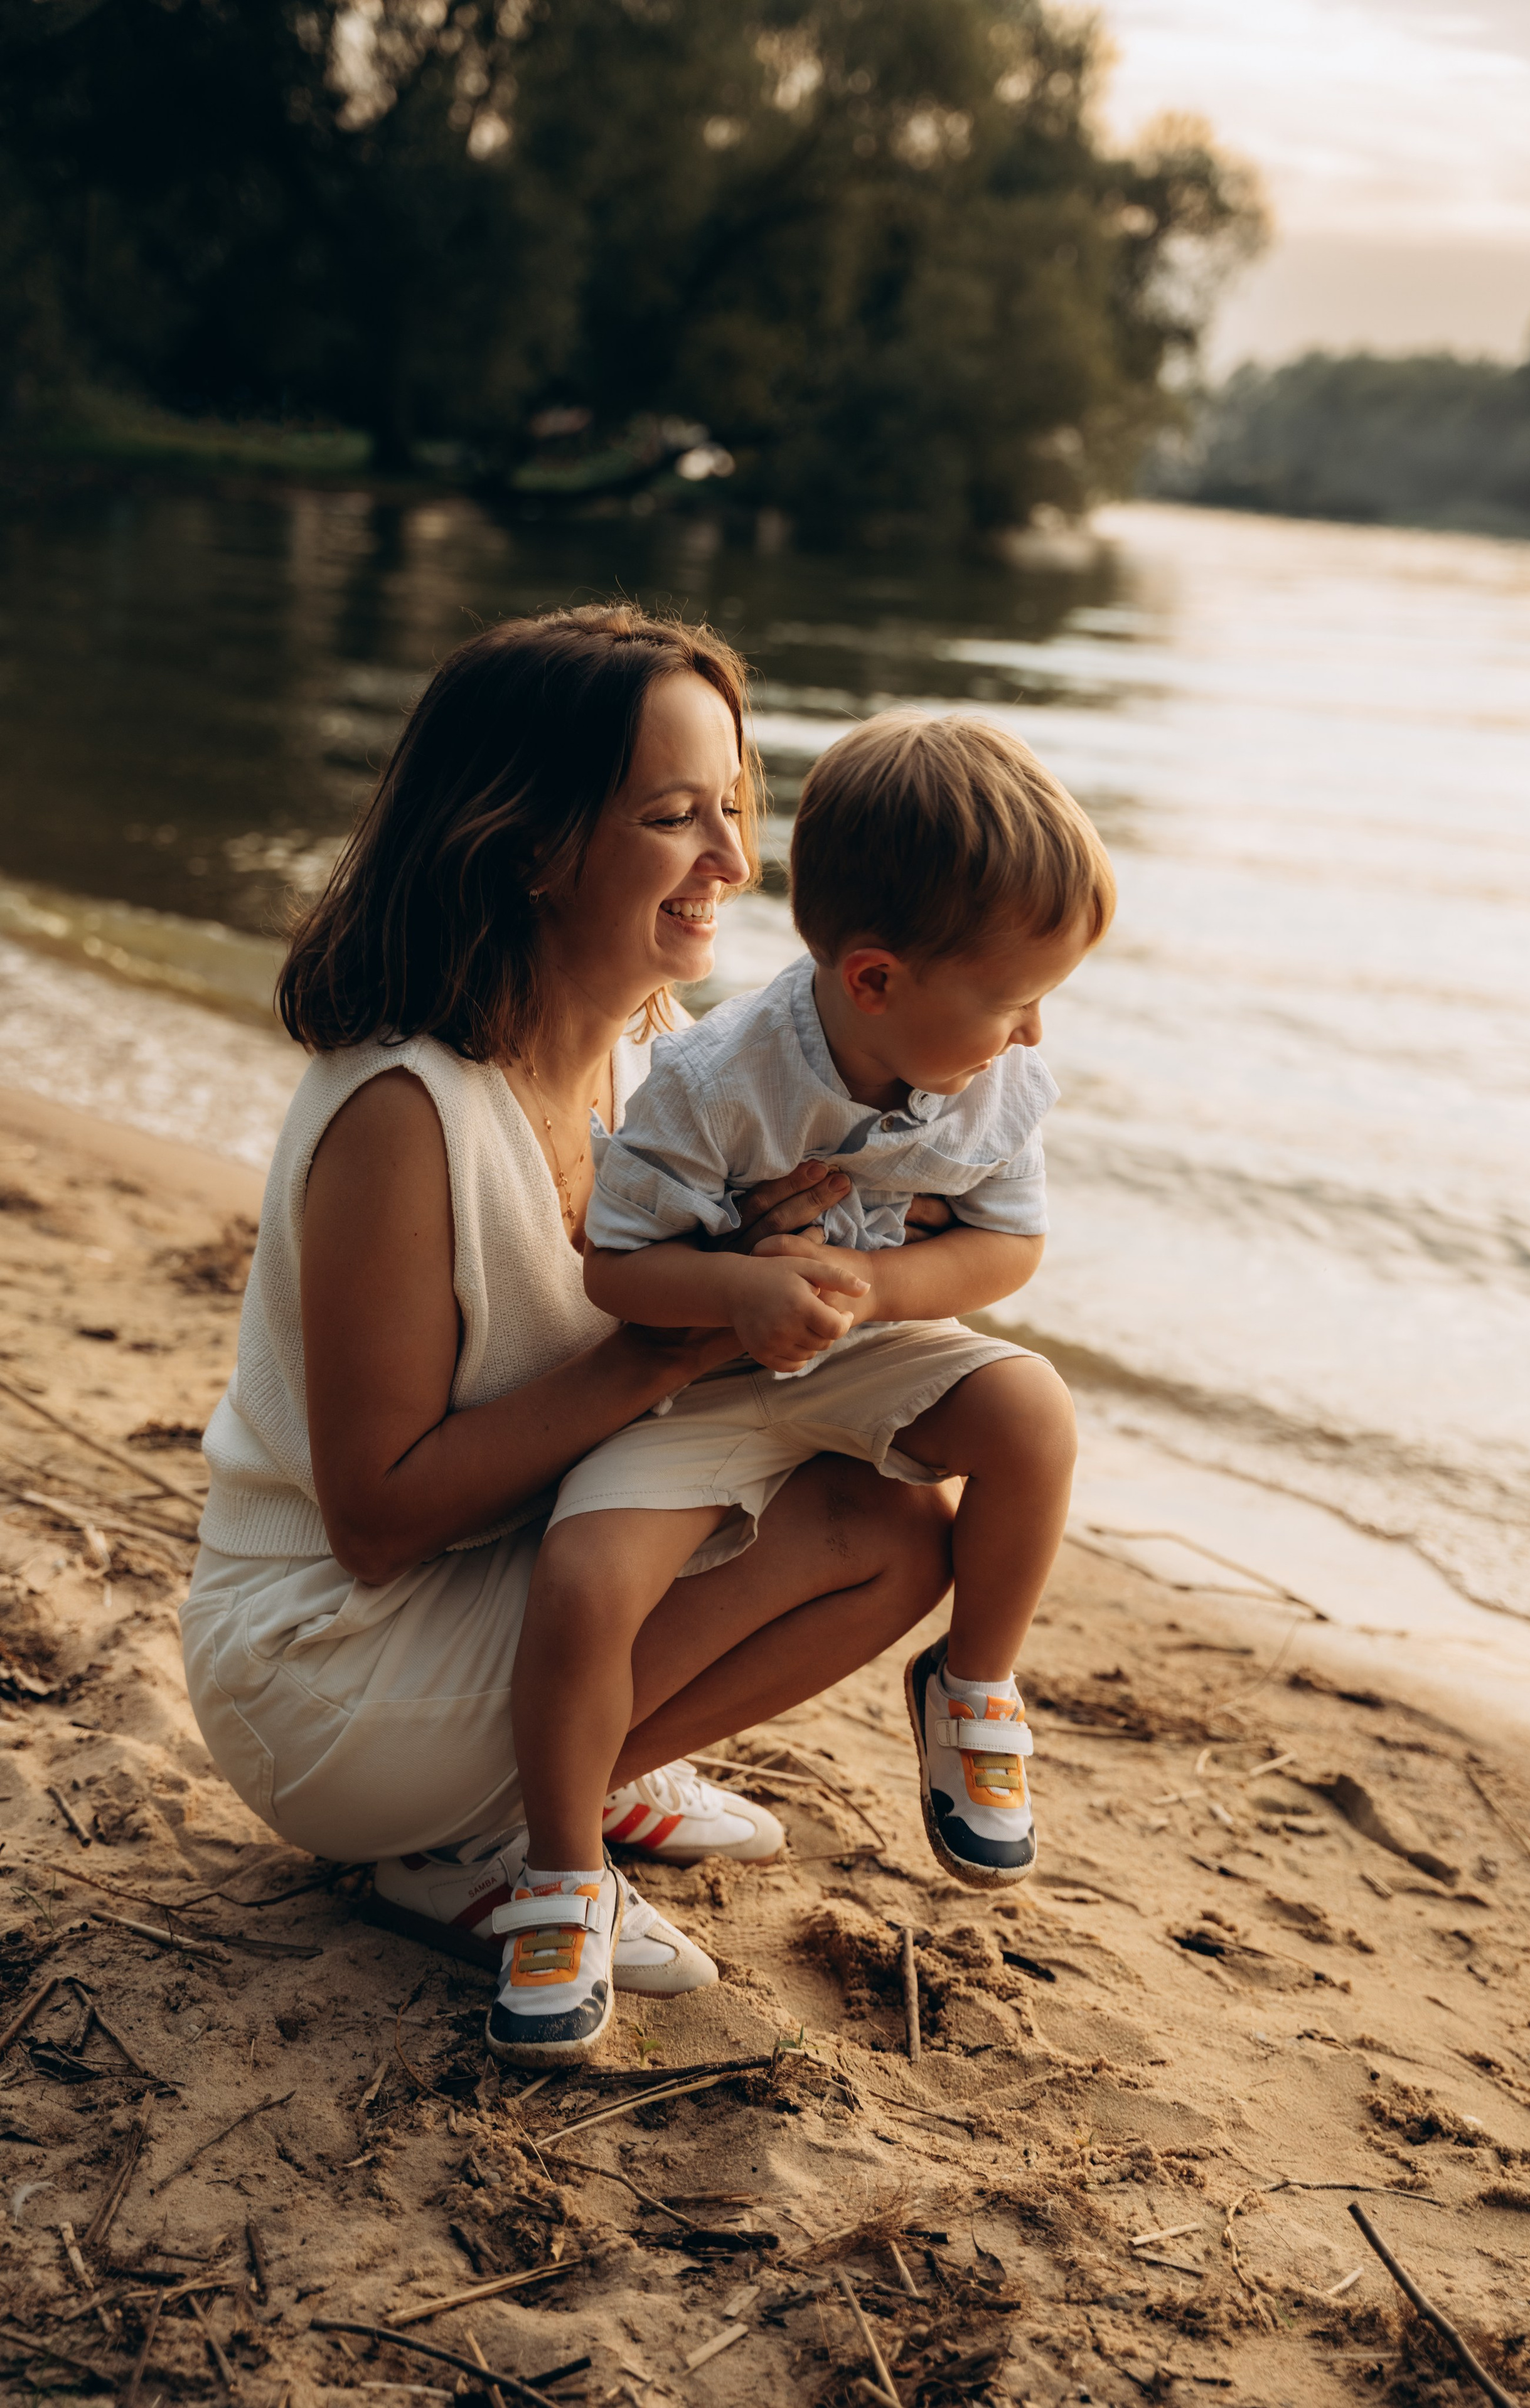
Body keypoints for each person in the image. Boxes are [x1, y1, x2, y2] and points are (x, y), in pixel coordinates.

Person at [179, 605, 960, 2031]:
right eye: (675, 818)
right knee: (862, 1523)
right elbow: (375, 1515)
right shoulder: (406, 1113)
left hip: (497, 1578)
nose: (733, 860)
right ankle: (460, 1836)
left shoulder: (663, 1057)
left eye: (731, 806)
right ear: (530, 842)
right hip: (328, 1663)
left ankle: (569, 1761)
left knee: (903, 1508)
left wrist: (814, 1235)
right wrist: (675, 1335)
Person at [493, 711, 1115, 2063]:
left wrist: (874, 1289)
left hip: (863, 1339)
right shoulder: (717, 1078)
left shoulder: (993, 1078)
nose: (1031, 1032)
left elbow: (1007, 1245)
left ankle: (973, 1683)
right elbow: (614, 1266)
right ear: (876, 978)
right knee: (586, 1579)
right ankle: (553, 1870)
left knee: (1028, 1414)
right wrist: (738, 1292)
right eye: (1013, 1001)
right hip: (704, 1375)